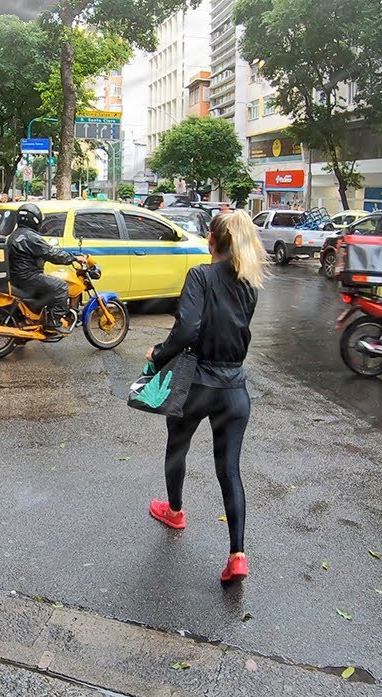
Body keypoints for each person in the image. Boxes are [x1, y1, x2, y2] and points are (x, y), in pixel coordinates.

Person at [145, 210, 268, 583]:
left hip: (197, 383)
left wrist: (158, 354)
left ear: (211, 241)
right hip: (235, 390)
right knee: (229, 469)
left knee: (177, 446)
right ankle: (237, 555)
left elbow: (188, 329)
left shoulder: (200, 274)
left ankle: (176, 511)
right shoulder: (251, 282)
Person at [8, 203, 84, 335]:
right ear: (35, 220)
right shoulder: (31, 237)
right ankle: (54, 322)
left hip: (18, 277)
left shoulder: (15, 235)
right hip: (28, 277)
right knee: (61, 286)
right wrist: (73, 258)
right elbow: (52, 254)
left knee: (50, 286)